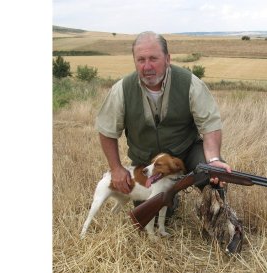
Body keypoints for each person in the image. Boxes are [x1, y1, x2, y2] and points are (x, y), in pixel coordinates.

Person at [95, 31, 231, 204]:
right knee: (154, 212)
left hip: (186, 152)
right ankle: (170, 198)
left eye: (153, 58)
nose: (147, 66)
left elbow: (210, 125)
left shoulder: (190, 83)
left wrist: (212, 160)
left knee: (213, 176)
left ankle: (217, 223)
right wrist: (116, 169)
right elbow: (107, 130)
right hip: (148, 163)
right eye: (141, 60)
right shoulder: (121, 90)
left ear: (167, 59)